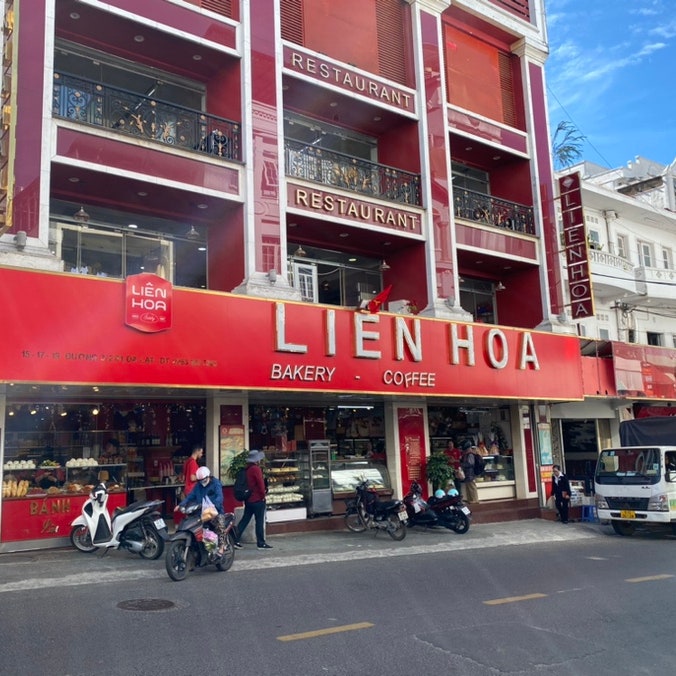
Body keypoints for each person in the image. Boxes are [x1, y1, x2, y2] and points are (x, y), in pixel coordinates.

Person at [174, 466, 229, 557]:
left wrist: (213, 505)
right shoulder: (198, 486)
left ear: (208, 476)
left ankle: (221, 547)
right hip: (201, 512)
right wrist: (180, 505)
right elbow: (190, 496)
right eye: (200, 480)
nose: (202, 482)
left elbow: (219, 497)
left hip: (215, 511)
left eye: (203, 480)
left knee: (219, 524)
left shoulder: (216, 483)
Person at [234, 449, 272, 550]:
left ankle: (235, 539)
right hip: (257, 500)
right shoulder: (256, 469)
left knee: (245, 520)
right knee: (259, 521)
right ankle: (261, 543)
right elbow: (260, 484)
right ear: (257, 460)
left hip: (249, 499)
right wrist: (263, 496)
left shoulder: (247, 469)